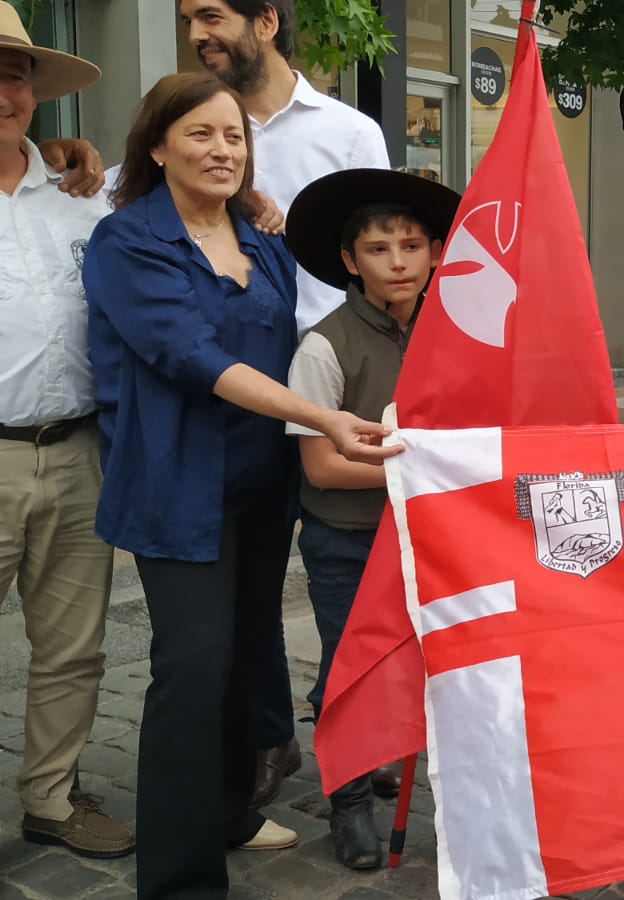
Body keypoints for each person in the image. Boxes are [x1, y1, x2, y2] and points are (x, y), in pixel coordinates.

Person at [82, 71, 397, 899]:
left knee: (246, 656)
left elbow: (291, 335)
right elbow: (194, 357)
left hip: (260, 484)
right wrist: (322, 418)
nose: (222, 150)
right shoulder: (128, 243)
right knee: (190, 667)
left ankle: (228, 810)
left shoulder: (262, 240)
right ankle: (181, 877)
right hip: (174, 483)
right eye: (200, 134)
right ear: (156, 145)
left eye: (233, 136)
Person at [177, 0, 393, 805]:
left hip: (346, 381)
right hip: (243, 392)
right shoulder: (192, 127)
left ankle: (366, 720)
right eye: (189, 21)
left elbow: (384, 240)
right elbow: (135, 205)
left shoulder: (348, 131)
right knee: (255, 582)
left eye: (212, 15)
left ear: (265, 21)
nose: (199, 35)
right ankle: (272, 737)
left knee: (354, 569)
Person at [280, 168, 460, 870]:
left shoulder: (454, 335)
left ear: (436, 253)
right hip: (348, 539)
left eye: (411, 246)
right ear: (351, 262)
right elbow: (321, 468)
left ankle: (395, 761)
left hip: (431, 539)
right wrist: (414, 475)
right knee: (349, 668)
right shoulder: (324, 348)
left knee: (423, 660)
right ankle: (349, 802)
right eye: (379, 250)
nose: (398, 262)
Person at [0, 4, 134, 860]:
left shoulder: (84, 197)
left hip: (79, 451)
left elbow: (180, 208)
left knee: (73, 649)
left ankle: (51, 795)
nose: (2, 93)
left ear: (35, 94)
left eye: (13, 75)